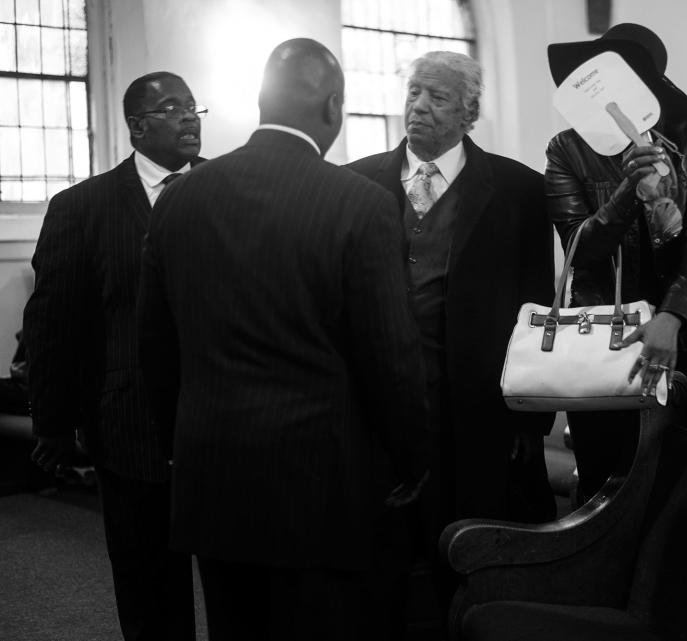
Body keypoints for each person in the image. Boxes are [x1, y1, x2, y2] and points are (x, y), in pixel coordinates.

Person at [137, 39, 430, 641]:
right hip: (318, 485)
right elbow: (391, 356)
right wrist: (411, 457)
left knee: (234, 628)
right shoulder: (360, 204)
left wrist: (179, 441)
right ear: (333, 107)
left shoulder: (179, 198)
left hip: (211, 473)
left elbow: (155, 345)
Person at [346, 50, 557, 604]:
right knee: (374, 565)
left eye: (437, 97)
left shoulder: (519, 191)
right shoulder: (352, 183)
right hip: (373, 407)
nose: (418, 106)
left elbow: (536, 311)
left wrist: (530, 424)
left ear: (469, 113)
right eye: (414, 92)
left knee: (462, 560)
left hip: (472, 408)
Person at [24, 71, 202, 641]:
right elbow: (54, 323)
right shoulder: (84, 207)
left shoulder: (231, 190)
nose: (189, 118)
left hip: (223, 419)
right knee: (149, 583)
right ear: (136, 126)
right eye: (172, 108)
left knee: (239, 581)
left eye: (194, 108)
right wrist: (52, 423)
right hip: (131, 423)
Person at [544, 23, 687, 500]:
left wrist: (673, 315)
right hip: (603, 338)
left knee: (675, 486)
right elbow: (581, 249)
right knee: (606, 482)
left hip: (678, 335)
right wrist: (626, 192)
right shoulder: (567, 148)